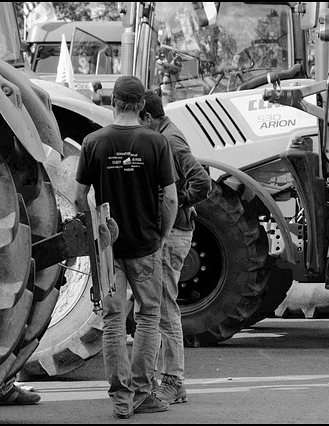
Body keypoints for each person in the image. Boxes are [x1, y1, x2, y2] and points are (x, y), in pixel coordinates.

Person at [74, 76, 178, 419]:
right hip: (146, 245)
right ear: (141, 105)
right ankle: (143, 393)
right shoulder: (156, 142)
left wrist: (97, 234)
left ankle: (121, 399)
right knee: (149, 317)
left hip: (109, 250)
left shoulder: (93, 142)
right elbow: (172, 200)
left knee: (113, 321)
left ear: (113, 102)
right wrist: (161, 235)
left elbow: (78, 198)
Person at [139, 90, 211, 404]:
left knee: (165, 307)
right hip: (173, 232)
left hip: (174, 233)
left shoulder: (169, 141)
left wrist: (176, 202)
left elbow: (202, 181)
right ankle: (168, 378)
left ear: (147, 117)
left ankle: (172, 379)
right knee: (161, 305)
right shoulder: (165, 135)